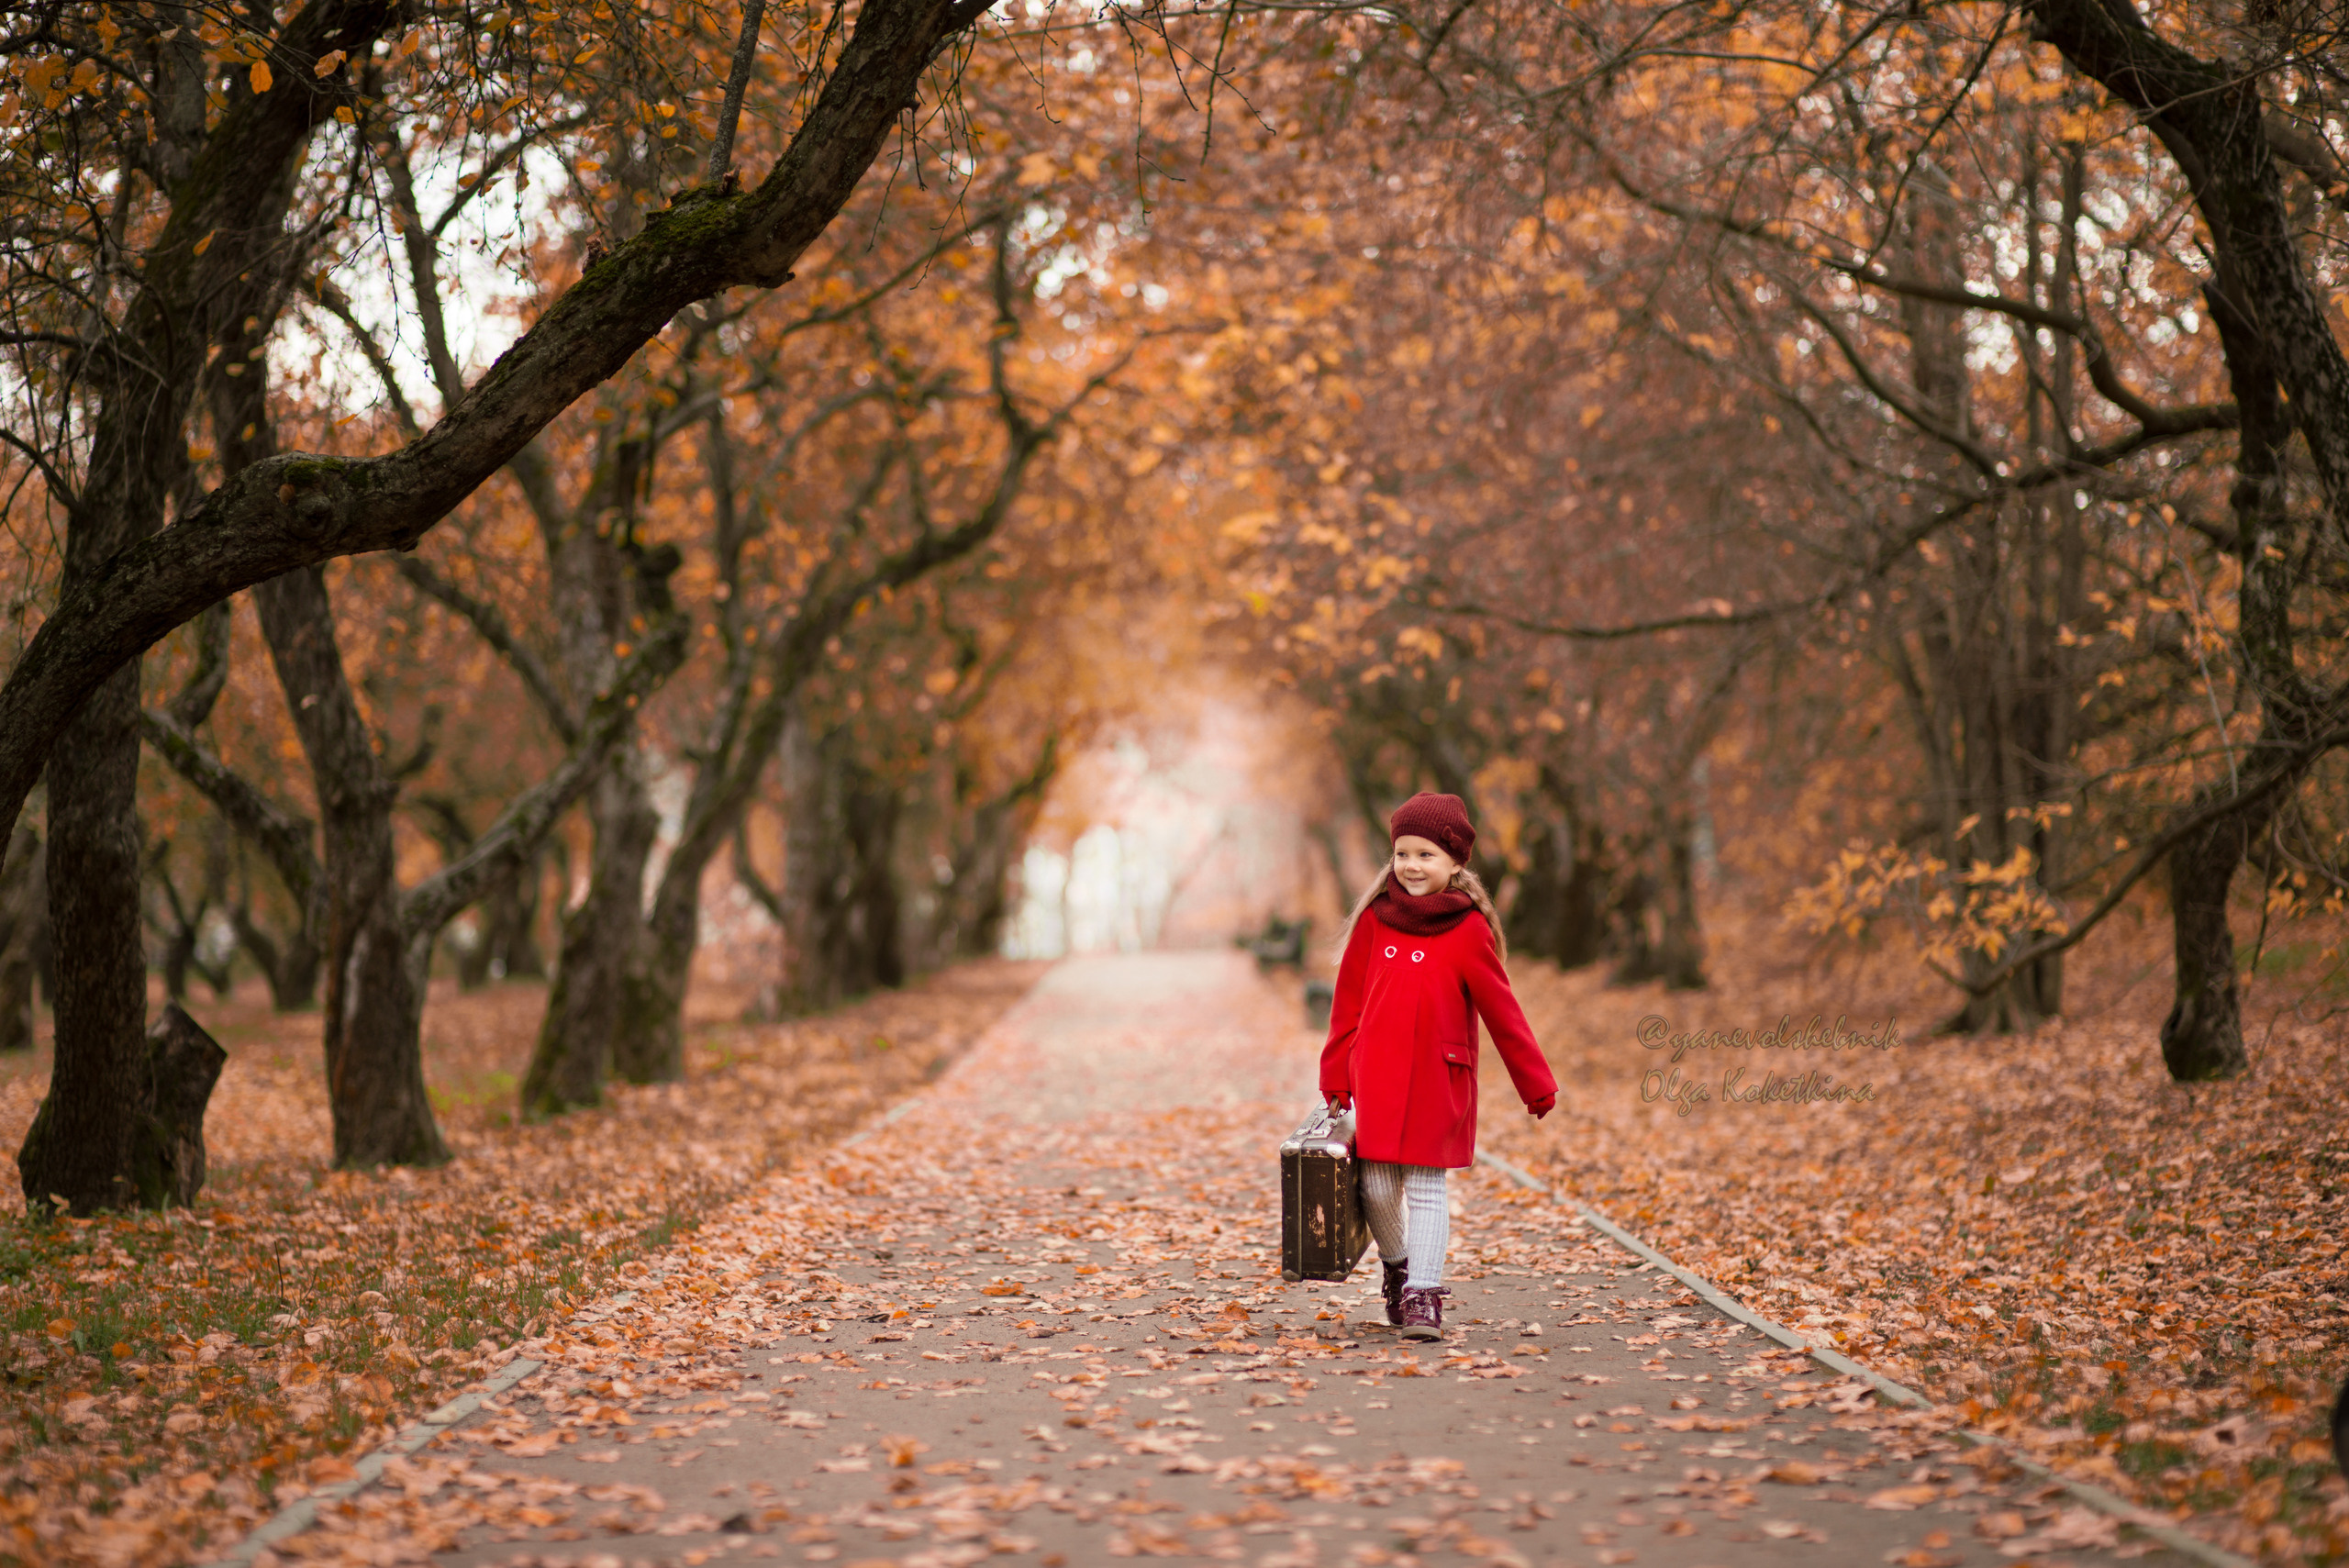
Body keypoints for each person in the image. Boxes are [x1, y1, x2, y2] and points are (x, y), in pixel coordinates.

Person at [1319, 792, 1557, 1340]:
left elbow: (1504, 1011)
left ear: (1455, 862)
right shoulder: (1377, 921)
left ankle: (1423, 1295)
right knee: (1376, 1187)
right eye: (1403, 853)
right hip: (1374, 1075)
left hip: (1437, 1079)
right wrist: (1336, 1070)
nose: (1411, 866)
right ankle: (1399, 1267)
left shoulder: (1469, 929)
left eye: (1426, 855)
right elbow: (1346, 1003)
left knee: (1426, 1187)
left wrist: (1535, 1083)